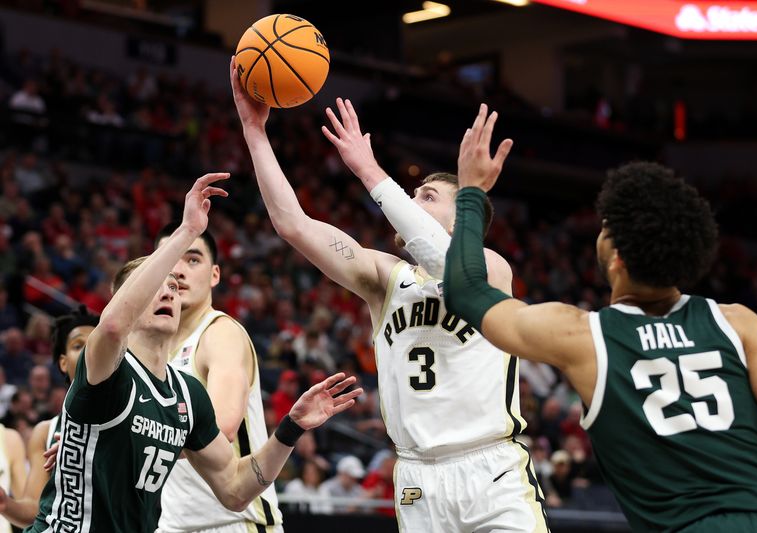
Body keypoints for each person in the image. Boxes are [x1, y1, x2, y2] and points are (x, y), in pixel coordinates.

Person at [443, 104, 757, 532]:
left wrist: (471, 192)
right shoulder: (736, 321)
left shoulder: (583, 335)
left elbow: (466, 290)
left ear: (616, 258)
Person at [231, 60, 548, 532]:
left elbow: (452, 267)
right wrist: (254, 130)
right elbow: (293, 224)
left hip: (492, 469)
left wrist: (368, 170)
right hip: (416, 477)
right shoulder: (385, 276)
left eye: (426, 197)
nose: (411, 203)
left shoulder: (492, 268)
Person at [25, 174, 362, 533]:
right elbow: (110, 327)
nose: (171, 288)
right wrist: (187, 230)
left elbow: (234, 489)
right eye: (158, 282)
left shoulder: (187, 391)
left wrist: (290, 429)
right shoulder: (108, 368)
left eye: (174, 284)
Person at [154, 218, 282, 533]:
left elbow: (219, 428)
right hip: (173, 525)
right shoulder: (151, 346)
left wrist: (127, 444)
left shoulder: (220, 334)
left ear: (215, 275)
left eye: (193, 259)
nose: (178, 271)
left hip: (235, 522)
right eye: (169, 259)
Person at [0, 306, 98, 528]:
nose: (88, 351)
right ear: (63, 362)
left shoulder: (136, 412)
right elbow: (34, 509)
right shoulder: (46, 431)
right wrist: (5, 504)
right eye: (78, 345)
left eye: (97, 344)